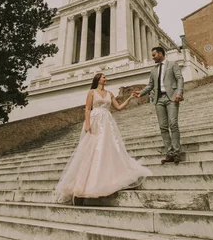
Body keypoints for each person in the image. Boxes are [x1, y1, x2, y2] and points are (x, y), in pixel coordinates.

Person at [55, 73, 152, 204]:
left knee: (107, 149)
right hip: (95, 121)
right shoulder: (91, 92)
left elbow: (118, 108)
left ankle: (100, 183)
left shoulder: (110, 94)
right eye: (103, 77)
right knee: (90, 150)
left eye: (105, 77)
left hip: (107, 123)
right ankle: (80, 187)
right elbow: (87, 109)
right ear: (98, 79)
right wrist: (87, 123)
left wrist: (129, 98)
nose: (105, 79)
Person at [134, 46, 184, 164]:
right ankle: (169, 153)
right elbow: (150, 85)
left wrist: (179, 92)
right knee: (163, 127)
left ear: (161, 54)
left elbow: (180, 78)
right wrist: (140, 93)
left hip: (171, 97)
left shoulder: (172, 64)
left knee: (173, 124)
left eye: (154, 55)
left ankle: (177, 152)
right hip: (159, 99)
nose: (153, 57)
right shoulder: (153, 70)